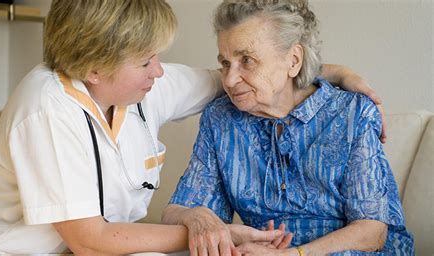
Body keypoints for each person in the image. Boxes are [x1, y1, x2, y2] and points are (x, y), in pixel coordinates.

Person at [0, 0, 383, 255]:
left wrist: (326, 72)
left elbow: (238, 82)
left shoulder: (148, 87)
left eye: (155, 56)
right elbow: (91, 240)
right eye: (146, 60)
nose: (160, 70)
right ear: (93, 69)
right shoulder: (46, 109)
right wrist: (211, 229)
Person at [163, 0, 414, 255]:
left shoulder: (352, 113)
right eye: (225, 63)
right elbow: (177, 210)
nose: (228, 79)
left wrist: (293, 254)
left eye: (247, 60)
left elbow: (372, 231)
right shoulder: (221, 119)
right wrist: (196, 216)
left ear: (293, 60)